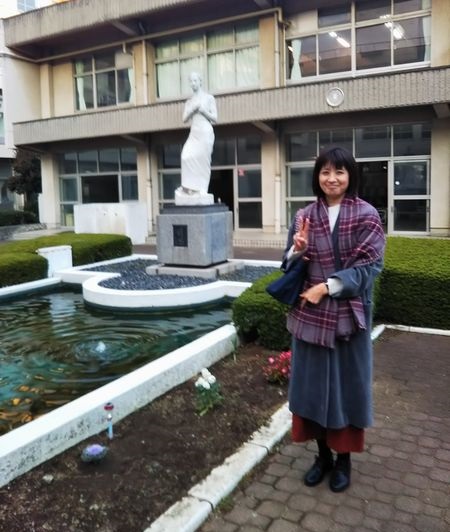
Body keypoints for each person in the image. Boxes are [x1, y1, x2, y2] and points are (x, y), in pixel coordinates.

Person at [283, 146, 385, 492]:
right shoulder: (305, 215)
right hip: (310, 316)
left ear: (350, 175)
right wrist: (297, 249)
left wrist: (326, 287)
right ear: (317, 176)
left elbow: (369, 268)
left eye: (339, 171)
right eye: (325, 171)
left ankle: (344, 461)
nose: (332, 178)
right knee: (312, 391)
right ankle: (322, 456)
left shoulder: (367, 215)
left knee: (346, 391)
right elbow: (289, 264)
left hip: (348, 317)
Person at [176, 72, 217, 197]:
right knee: (186, 156)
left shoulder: (209, 98)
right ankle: (188, 187)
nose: (193, 83)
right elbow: (184, 119)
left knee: (203, 160)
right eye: (191, 81)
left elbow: (215, 118)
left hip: (205, 131)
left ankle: (202, 188)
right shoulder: (189, 102)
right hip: (194, 132)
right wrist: (192, 110)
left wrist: (203, 111)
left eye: (195, 81)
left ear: (200, 81)